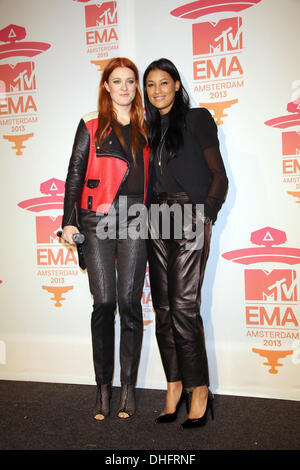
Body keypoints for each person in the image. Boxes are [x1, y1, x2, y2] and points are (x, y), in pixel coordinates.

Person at [61, 57, 150, 421]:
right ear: (107, 87)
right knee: (104, 303)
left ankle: (127, 389)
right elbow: (75, 174)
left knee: (129, 303)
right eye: (118, 81)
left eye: (131, 81)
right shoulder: (92, 125)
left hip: (136, 219)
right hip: (96, 218)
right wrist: (69, 221)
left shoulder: (148, 128)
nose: (125, 88)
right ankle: (102, 390)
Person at [143, 58, 228, 428]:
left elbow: (218, 175)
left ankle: (200, 389)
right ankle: (174, 385)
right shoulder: (147, 128)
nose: (158, 90)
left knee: (182, 307)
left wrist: (204, 213)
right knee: (162, 308)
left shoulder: (197, 119)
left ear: (177, 85)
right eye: (151, 85)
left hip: (188, 214)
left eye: (164, 83)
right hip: (154, 219)